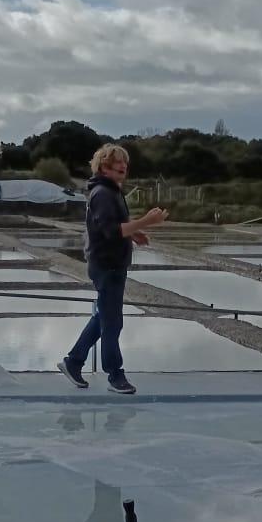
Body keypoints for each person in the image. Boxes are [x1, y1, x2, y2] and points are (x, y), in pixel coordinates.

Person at [58, 144, 169, 395]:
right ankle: (114, 375)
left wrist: (135, 233)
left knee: (103, 318)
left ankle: (73, 362)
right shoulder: (103, 193)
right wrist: (147, 222)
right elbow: (110, 231)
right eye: (117, 164)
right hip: (106, 265)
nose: (123, 168)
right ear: (103, 167)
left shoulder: (112, 191)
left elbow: (115, 228)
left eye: (125, 164)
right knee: (112, 322)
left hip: (113, 264)